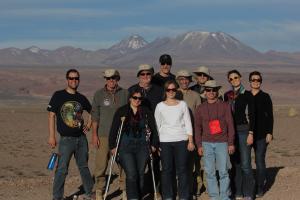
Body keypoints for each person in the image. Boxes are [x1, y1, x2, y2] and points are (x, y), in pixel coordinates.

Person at [47, 69, 94, 200]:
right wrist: (51, 136)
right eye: (71, 78)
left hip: (81, 139)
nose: (74, 81)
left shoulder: (81, 98)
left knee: (84, 167)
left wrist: (88, 125)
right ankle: (57, 197)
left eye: (76, 78)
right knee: (62, 169)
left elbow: (93, 112)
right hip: (66, 140)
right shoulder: (58, 95)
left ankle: (90, 193)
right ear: (67, 79)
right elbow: (51, 116)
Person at [109, 89, 159, 200]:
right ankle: (133, 197)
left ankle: (139, 195)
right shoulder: (122, 111)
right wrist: (112, 146)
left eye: (139, 98)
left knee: (140, 174)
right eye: (135, 98)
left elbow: (154, 130)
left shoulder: (146, 112)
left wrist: (154, 144)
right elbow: (114, 130)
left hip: (142, 147)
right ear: (130, 98)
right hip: (125, 147)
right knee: (132, 174)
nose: (137, 100)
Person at [90, 69, 128, 200]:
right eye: (108, 78)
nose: (111, 80)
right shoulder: (99, 95)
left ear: (118, 78)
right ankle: (99, 190)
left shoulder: (125, 93)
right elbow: (95, 115)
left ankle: (124, 190)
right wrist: (94, 135)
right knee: (101, 164)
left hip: (121, 136)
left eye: (114, 78)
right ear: (105, 79)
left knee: (124, 163)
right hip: (104, 135)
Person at [194, 80, 235, 200]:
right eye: (208, 90)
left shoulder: (225, 106)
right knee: (209, 172)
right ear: (205, 92)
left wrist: (231, 143)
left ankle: (224, 196)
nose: (211, 92)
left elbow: (230, 125)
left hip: (222, 142)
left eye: (213, 90)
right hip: (206, 143)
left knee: (223, 171)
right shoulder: (200, 108)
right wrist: (199, 145)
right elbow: (197, 128)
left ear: (217, 91)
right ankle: (214, 196)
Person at [155, 80, 195, 200]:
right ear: (165, 91)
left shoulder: (182, 104)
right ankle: (168, 196)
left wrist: (190, 141)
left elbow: (188, 123)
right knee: (167, 170)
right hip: (165, 141)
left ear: (176, 90)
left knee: (182, 170)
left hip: (182, 140)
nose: (171, 92)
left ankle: (183, 196)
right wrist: (157, 144)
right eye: (168, 90)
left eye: (173, 89)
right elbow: (157, 126)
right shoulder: (160, 106)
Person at [224, 70, 255, 200]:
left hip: (244, 131)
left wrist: (251, 133)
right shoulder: (227, 95)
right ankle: (238, 192)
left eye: (236, 77)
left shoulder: (248, 94)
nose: (234, 80)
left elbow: (252, 115)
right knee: (234, 162)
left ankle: (248, 193)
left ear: (240, 78)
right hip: (231, 132)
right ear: (229, 81)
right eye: (231, 79)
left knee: (246, 163)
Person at [175, 70, 202, 198]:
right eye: (181, 79)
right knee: (178, 165)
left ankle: (190, 191)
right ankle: (178, 191)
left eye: (186, 79)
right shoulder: (172, 93)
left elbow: (199, 117)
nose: (184, 81)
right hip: (176, 135)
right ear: (177, 80)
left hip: (191, 135)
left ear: (190, 80)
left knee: (190, 165)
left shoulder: (195, 96)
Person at [249, 71, 273, 198]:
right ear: (249, 81)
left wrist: (270, 132)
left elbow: (270, 116)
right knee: (245, 162)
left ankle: (259, 188)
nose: (255, 82)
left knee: (259, 161)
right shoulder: (246, 96)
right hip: (247, 135)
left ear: (261, 82)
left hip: (262, 135)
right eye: (253, 80)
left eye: (258, 80)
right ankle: (247, 187)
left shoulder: (265, 96)